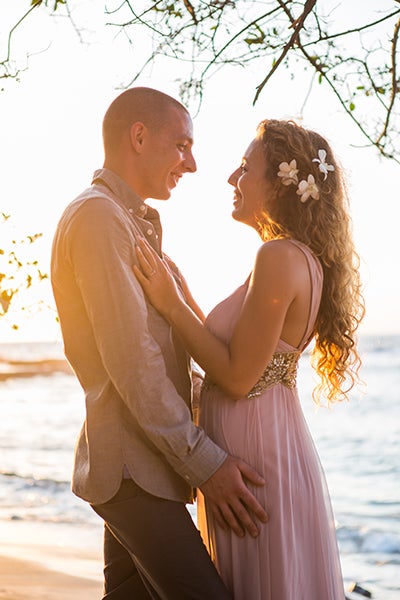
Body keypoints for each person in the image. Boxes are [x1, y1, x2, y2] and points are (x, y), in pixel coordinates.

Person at [50, 87, 268, 600]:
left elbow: (160, 355)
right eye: (182, 146)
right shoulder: (99, 217)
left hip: (143, 469)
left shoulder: (127, 221)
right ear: (139, 136)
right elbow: (133, 363)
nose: (191, 164)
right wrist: (206, 463)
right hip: (132, 472)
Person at [134, 118, 365, 599]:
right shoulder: (294, 257)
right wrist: (176, 287)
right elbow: (233, 351)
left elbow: (238, 378)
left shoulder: (279, 257)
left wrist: (170, 305)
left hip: (255, 459)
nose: (230, 179)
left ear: (281, 183)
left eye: (244, 168)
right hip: (262, 444)